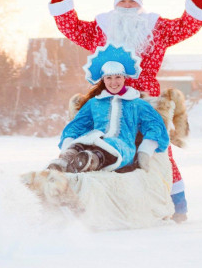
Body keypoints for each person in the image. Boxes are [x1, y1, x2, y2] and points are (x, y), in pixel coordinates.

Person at [48, 0, 202, 222]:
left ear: (140, 4)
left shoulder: (156, 28)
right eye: (122, 0)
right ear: (114, 5)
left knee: (158, 152)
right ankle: (102, 206)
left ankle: (178, 207)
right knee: (103, 146)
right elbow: (71, 27)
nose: (127, 5)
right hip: (107, 100)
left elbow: (187, 26)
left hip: (146, 99)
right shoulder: (100, 29)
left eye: (132, 0)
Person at [49, 44, 169, 174]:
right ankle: (65, 160)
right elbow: (77, 125)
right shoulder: (94, 103)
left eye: (118, 77)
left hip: (122, 146)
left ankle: (91, 160)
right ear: (103, 80)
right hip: (94, 139)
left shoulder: (136, 103)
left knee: (110, 146)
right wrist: (68, 144)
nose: (114, 82)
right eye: (109, 78)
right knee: (82, 142)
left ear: (124, 78)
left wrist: (145, 150)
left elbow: (155, 125)